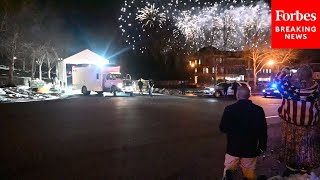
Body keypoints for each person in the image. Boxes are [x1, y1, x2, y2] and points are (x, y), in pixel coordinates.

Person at [275, 65, 320, 176]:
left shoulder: (287, 87)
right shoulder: (318, 89)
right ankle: (305, 168)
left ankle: (291, 168)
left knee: (291, 146)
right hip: (309, 126)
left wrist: (284, 71)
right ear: (311, 75)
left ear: (298, 75)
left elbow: (276, 80)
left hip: (290, 125)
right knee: (307, 146)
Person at [220, 86, 267, 180]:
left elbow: (223, 128)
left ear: (237, 95)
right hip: (250, 149)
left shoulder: (229, 109)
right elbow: (263, 131)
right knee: (249, 173)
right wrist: (262, 147)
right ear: (249, 95)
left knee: (229, 171)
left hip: (233, 148)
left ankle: (228, 176)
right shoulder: (258, 110)